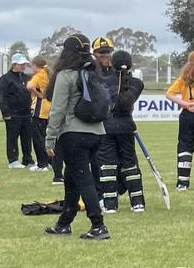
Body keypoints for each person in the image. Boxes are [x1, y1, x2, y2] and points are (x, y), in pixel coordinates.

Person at [43, 34, 110, 240]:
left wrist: (50, 137)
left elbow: (58, 110)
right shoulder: (92, 72)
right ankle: (65, 222)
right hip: (96, 132)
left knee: (83, 178)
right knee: (71, 176)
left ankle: (98, 224)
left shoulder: (66, 75)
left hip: (74, 133)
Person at [96, 50, 146, 213]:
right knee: (130, 165)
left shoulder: (101, 81)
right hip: (126, 126)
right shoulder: (138, 83)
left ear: (112, 62)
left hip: (107, 126)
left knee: (107, 165)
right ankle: (137, 202)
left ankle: (110, 204)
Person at [167, 50, 194, 191]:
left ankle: (182, 183)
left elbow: (169, 94)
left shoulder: (185, 76)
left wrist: (186, 104)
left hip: (186, 115)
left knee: (184, 147)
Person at [0, 53, 36, 168]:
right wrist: (5, 113)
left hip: (26, 113)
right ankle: (13, 160)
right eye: (21, 64)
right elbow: (2, 97)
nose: (23, 66)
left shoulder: (27, 78)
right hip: (13, 114)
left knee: (27, 137)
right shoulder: (5, 79)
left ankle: (27, 159)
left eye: (24, 64)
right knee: (12, 137)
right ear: (14, 64)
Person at [28, 56, 62, 184]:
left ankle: (42, 163)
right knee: (49, 136)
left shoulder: (38, 75)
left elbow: (30, 87)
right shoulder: (50, 74)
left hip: (40, 108)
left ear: (36, 65)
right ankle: (49, 161)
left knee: (38, 138)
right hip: (49, 108)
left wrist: (38, 94)